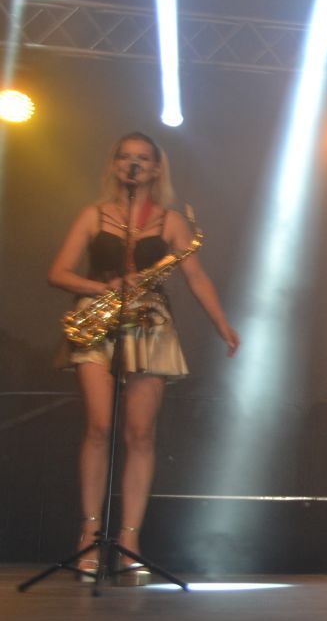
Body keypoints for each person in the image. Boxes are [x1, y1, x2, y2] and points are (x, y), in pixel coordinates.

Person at [47, 132, 240, 579]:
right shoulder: (93, 215)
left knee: (141, 434)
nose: (132, 164)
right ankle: (89, 534)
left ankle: (130, 540)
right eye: (125, 157)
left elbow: (196, 277)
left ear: (155, 169)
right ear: (115, 165)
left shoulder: (172, 221)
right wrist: (103, 286)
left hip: (149, 323)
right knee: (99, 426)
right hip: (97, 319)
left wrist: (222, 325)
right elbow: (57, 272)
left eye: (142, 158)